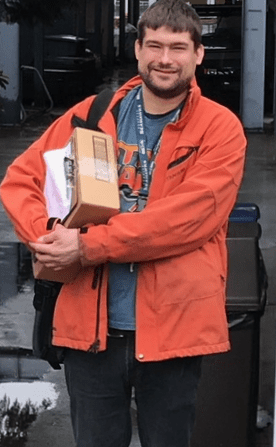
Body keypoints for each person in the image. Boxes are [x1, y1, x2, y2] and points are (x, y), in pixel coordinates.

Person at [0, 1, 247, 446]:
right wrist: (49, 235)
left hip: (174, 331)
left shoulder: (219, 128)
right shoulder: (92, 116)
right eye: (154, 45)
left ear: (198, 54)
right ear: (137, 50)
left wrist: (87, 246)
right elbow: (21, 180)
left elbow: (188, 220)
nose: (165, 59)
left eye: (177, 47)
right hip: (90, 333)